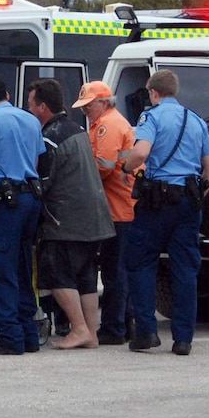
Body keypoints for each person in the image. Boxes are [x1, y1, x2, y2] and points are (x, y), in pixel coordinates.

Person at [121, 70, 209, 356]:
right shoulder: (196, 120)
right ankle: (184, 339)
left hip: (156, 202)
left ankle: (147, 332)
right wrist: (199, 195)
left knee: (140, 264)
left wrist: (127, 169)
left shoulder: (151, 117)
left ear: (152, 92)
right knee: (185, 270)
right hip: (188, 202)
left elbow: (140, 154)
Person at [27, 79, 115, 350]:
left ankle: (78, 329)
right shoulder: (77, 129)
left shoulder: (50, 137)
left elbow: (42, 180)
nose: (29, 109)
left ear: (42, 107)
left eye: (31, 104)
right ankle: (91, 332)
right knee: (85, 275)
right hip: (95, 217)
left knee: (56, 273)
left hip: (65, 219)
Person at [0, 73, 45, 356]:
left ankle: (11, 337)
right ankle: (28, 334)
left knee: (0, 266)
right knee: (23, 266)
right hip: (31, 198)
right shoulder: (30, 119)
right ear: (8, 94)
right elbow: (36, 160)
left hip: (8, 202)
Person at [72, 81, 137, 345]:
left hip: (117, 209)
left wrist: (78, 180)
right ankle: (124, 324)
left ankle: (113, 327)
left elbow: (103, 166)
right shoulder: (111, 122)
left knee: (114, 272)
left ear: (103, 102)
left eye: (89, 106)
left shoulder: (107, 125)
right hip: (120, 207)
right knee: (118, 270)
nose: (86, 111)